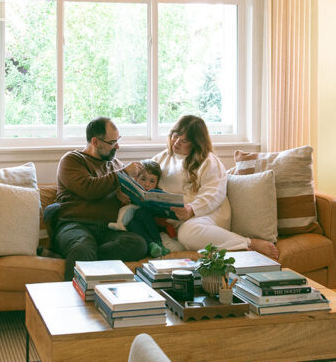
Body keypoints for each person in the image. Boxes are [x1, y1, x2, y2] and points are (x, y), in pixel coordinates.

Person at [149, 114, 279, 260]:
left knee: (187, 233)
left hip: (208, 215)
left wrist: (192, 209)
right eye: (175, 135)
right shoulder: (160, 158)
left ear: (195, 144)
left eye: (184, 140)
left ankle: (249, 243)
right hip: (176, 220)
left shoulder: (208, 161)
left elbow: (214, 194)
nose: (177, 142)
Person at [53, 117, 148, 280]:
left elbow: (117, 189)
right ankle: (76, 300)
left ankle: (89, 256)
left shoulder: (115, 164)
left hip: (108, 229)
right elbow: (89, 189)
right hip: (75, 224)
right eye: (112, 142)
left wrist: (127, 196)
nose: (117, 146)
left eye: (118, 140)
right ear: (95, 141)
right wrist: (123, 175)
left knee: (138, 244)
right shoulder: (72, 160)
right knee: (82, 248)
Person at [108, 159, 172, 258]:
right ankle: (152, 245)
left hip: (151, 225)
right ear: (136, 178)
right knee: (132, 224)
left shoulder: (157, 194)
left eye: (152, 181)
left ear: (156, 183)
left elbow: (162, 215)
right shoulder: (129, 191)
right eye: (143, 179)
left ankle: (159, 243)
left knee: (142, 212)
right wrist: (123, 198)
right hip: (135, 226)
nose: (147, 184)